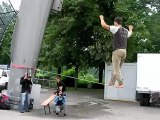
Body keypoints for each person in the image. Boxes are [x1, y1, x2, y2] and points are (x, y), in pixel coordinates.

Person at [99, 15, 133, 87]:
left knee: (116, 69)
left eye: (114, 22)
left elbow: (104, 25)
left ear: (116, 22)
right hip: (124, 51)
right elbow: (130, 34)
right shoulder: (126, 31)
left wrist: (101, 18)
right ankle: (112, 82)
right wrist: (130, 28)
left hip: (117, 52)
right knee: (117, 68)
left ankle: (121, 83)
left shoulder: (116, 28)